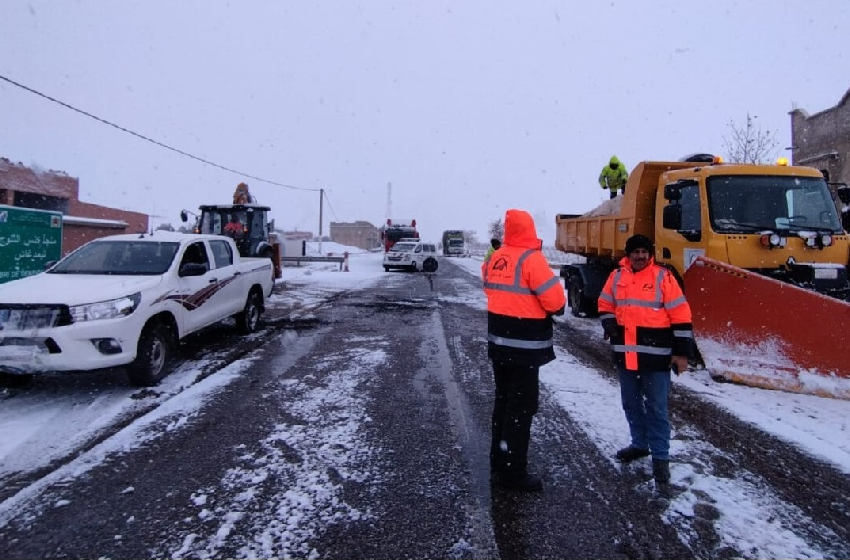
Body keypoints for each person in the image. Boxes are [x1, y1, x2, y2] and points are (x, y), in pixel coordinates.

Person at [597, 234, 693, 484]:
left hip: (656, 358)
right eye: (635, 252)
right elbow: (605, 303)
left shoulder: (663, 277)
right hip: (626, 355)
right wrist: (609, 322)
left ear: (650, 254)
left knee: (657, 408)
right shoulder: (616, 277)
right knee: (631, 403)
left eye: (644, 252)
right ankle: (640, 444)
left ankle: (661, 458)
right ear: (628, 255)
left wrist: (681, 353)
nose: (640, 256)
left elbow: (681, 314)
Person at [481, 209, 566, 491]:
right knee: (522, 408)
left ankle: (499, 459)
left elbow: (489, 289)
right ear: (529, 229)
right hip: (525, 348)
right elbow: (555, 301)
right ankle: (514, 472)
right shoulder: (532, 259)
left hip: (499, 343)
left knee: (503, 403)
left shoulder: (495, 258)